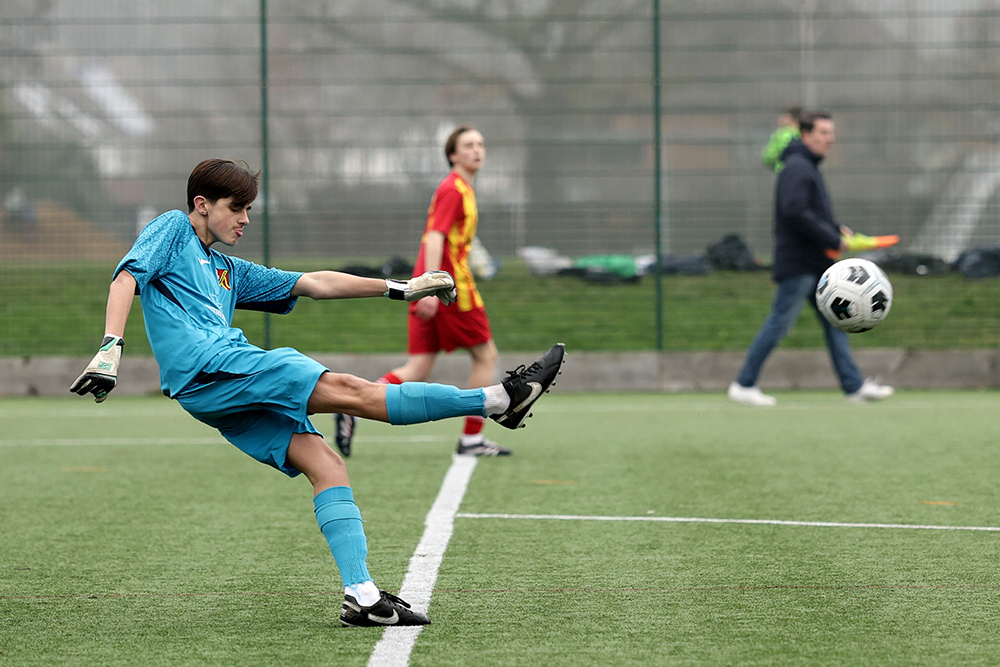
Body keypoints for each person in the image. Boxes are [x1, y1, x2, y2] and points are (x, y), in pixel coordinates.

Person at [69, 158, 566, 627]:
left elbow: (315, 283)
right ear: (202, 204)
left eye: (247, 210)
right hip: (216, 367)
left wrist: (402, 287)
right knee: (351, 390)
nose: (244, 220)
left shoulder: (227, 269)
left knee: (326, 463)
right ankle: (499, 400)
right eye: (235, 208)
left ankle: (363, 597)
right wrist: (111, 347)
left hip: (208, 390)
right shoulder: (173, 229)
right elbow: (128, 275)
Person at [333, 125, 509, 458]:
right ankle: (472, 439)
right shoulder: (455, 189)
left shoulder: (461, 189)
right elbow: (434, 238)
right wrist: (430, 288)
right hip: (449, 288)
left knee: (418, 368)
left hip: (430, 283)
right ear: (452, 155)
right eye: (469, 145)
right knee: (486, 356)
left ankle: (354, 404)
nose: (478, 150)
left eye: (481, 144)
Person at [728, 112, 893, 407]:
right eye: (824, 132)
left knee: (835, 324)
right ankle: (743, 384)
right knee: (780, 323)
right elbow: (795, 211)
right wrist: (832, 238)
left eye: (831, 132)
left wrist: (834, 230)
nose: (830, 139)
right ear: (806, 135)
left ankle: (854, 388)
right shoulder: (797, 167)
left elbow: (809, 212)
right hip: (799, 263)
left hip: (817, 264)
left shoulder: (805, 166)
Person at [760, 105, 802, 173]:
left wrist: (778, 166)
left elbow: (769, 156)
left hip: (786, 171)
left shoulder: (783, 135)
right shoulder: (806, 134)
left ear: (789, 117)